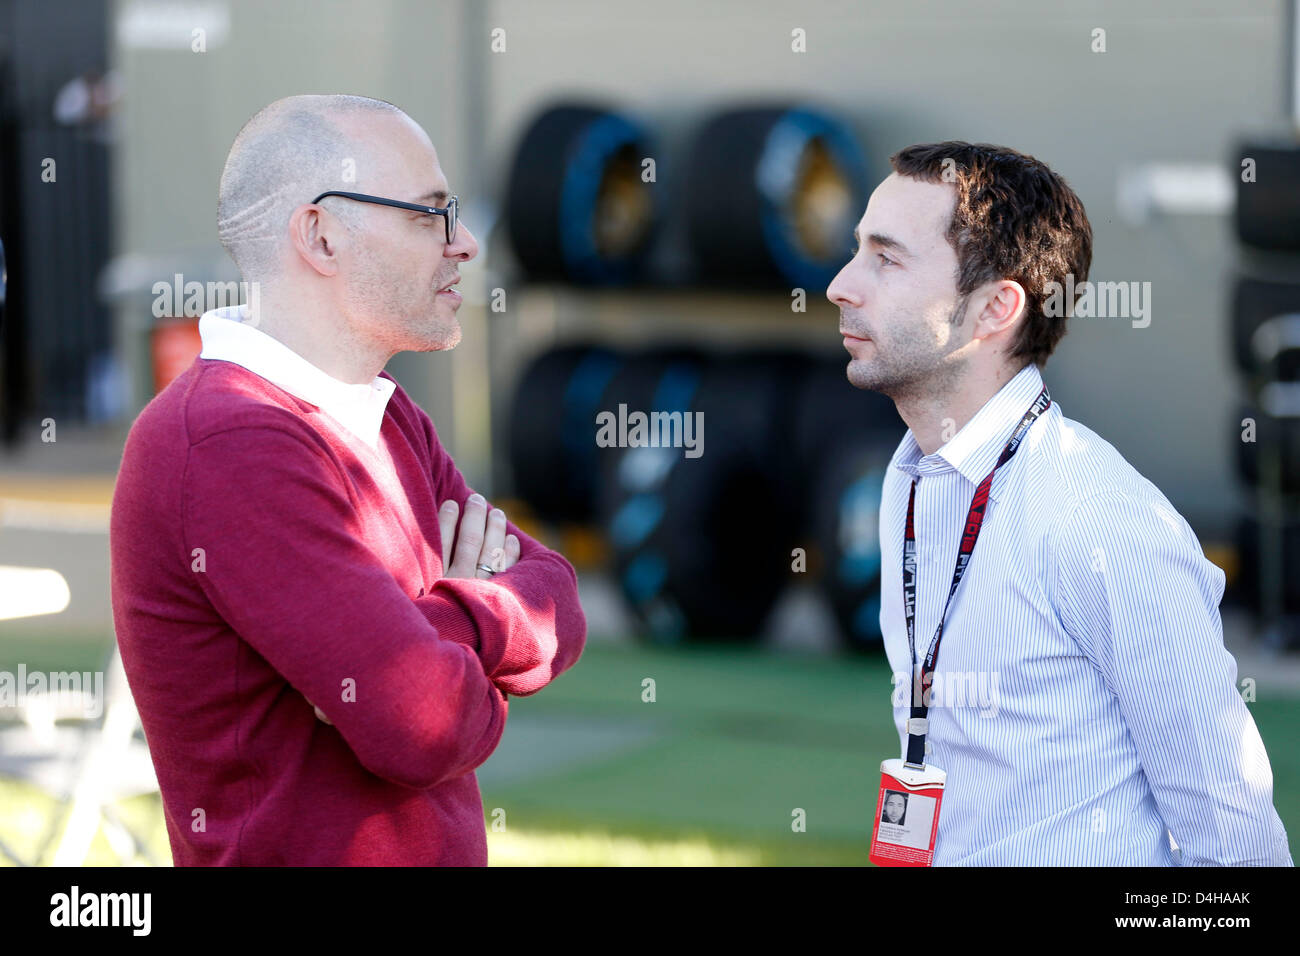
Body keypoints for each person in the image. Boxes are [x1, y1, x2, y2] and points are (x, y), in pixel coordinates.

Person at [110, 94, 586, 866]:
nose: (464, 243)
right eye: (427, 214)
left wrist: (430, 626)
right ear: (322, 235)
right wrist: (466, 629)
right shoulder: (228, 441)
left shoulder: (389, 415)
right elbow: (424, 725)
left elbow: (559, 598)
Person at [827, 141, 1292, 866]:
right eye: (858, 250)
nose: (840, 285)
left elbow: (1234, 838)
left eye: (885, 259)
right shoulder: (911, 480)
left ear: (993, 309)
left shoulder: (1096, 517)